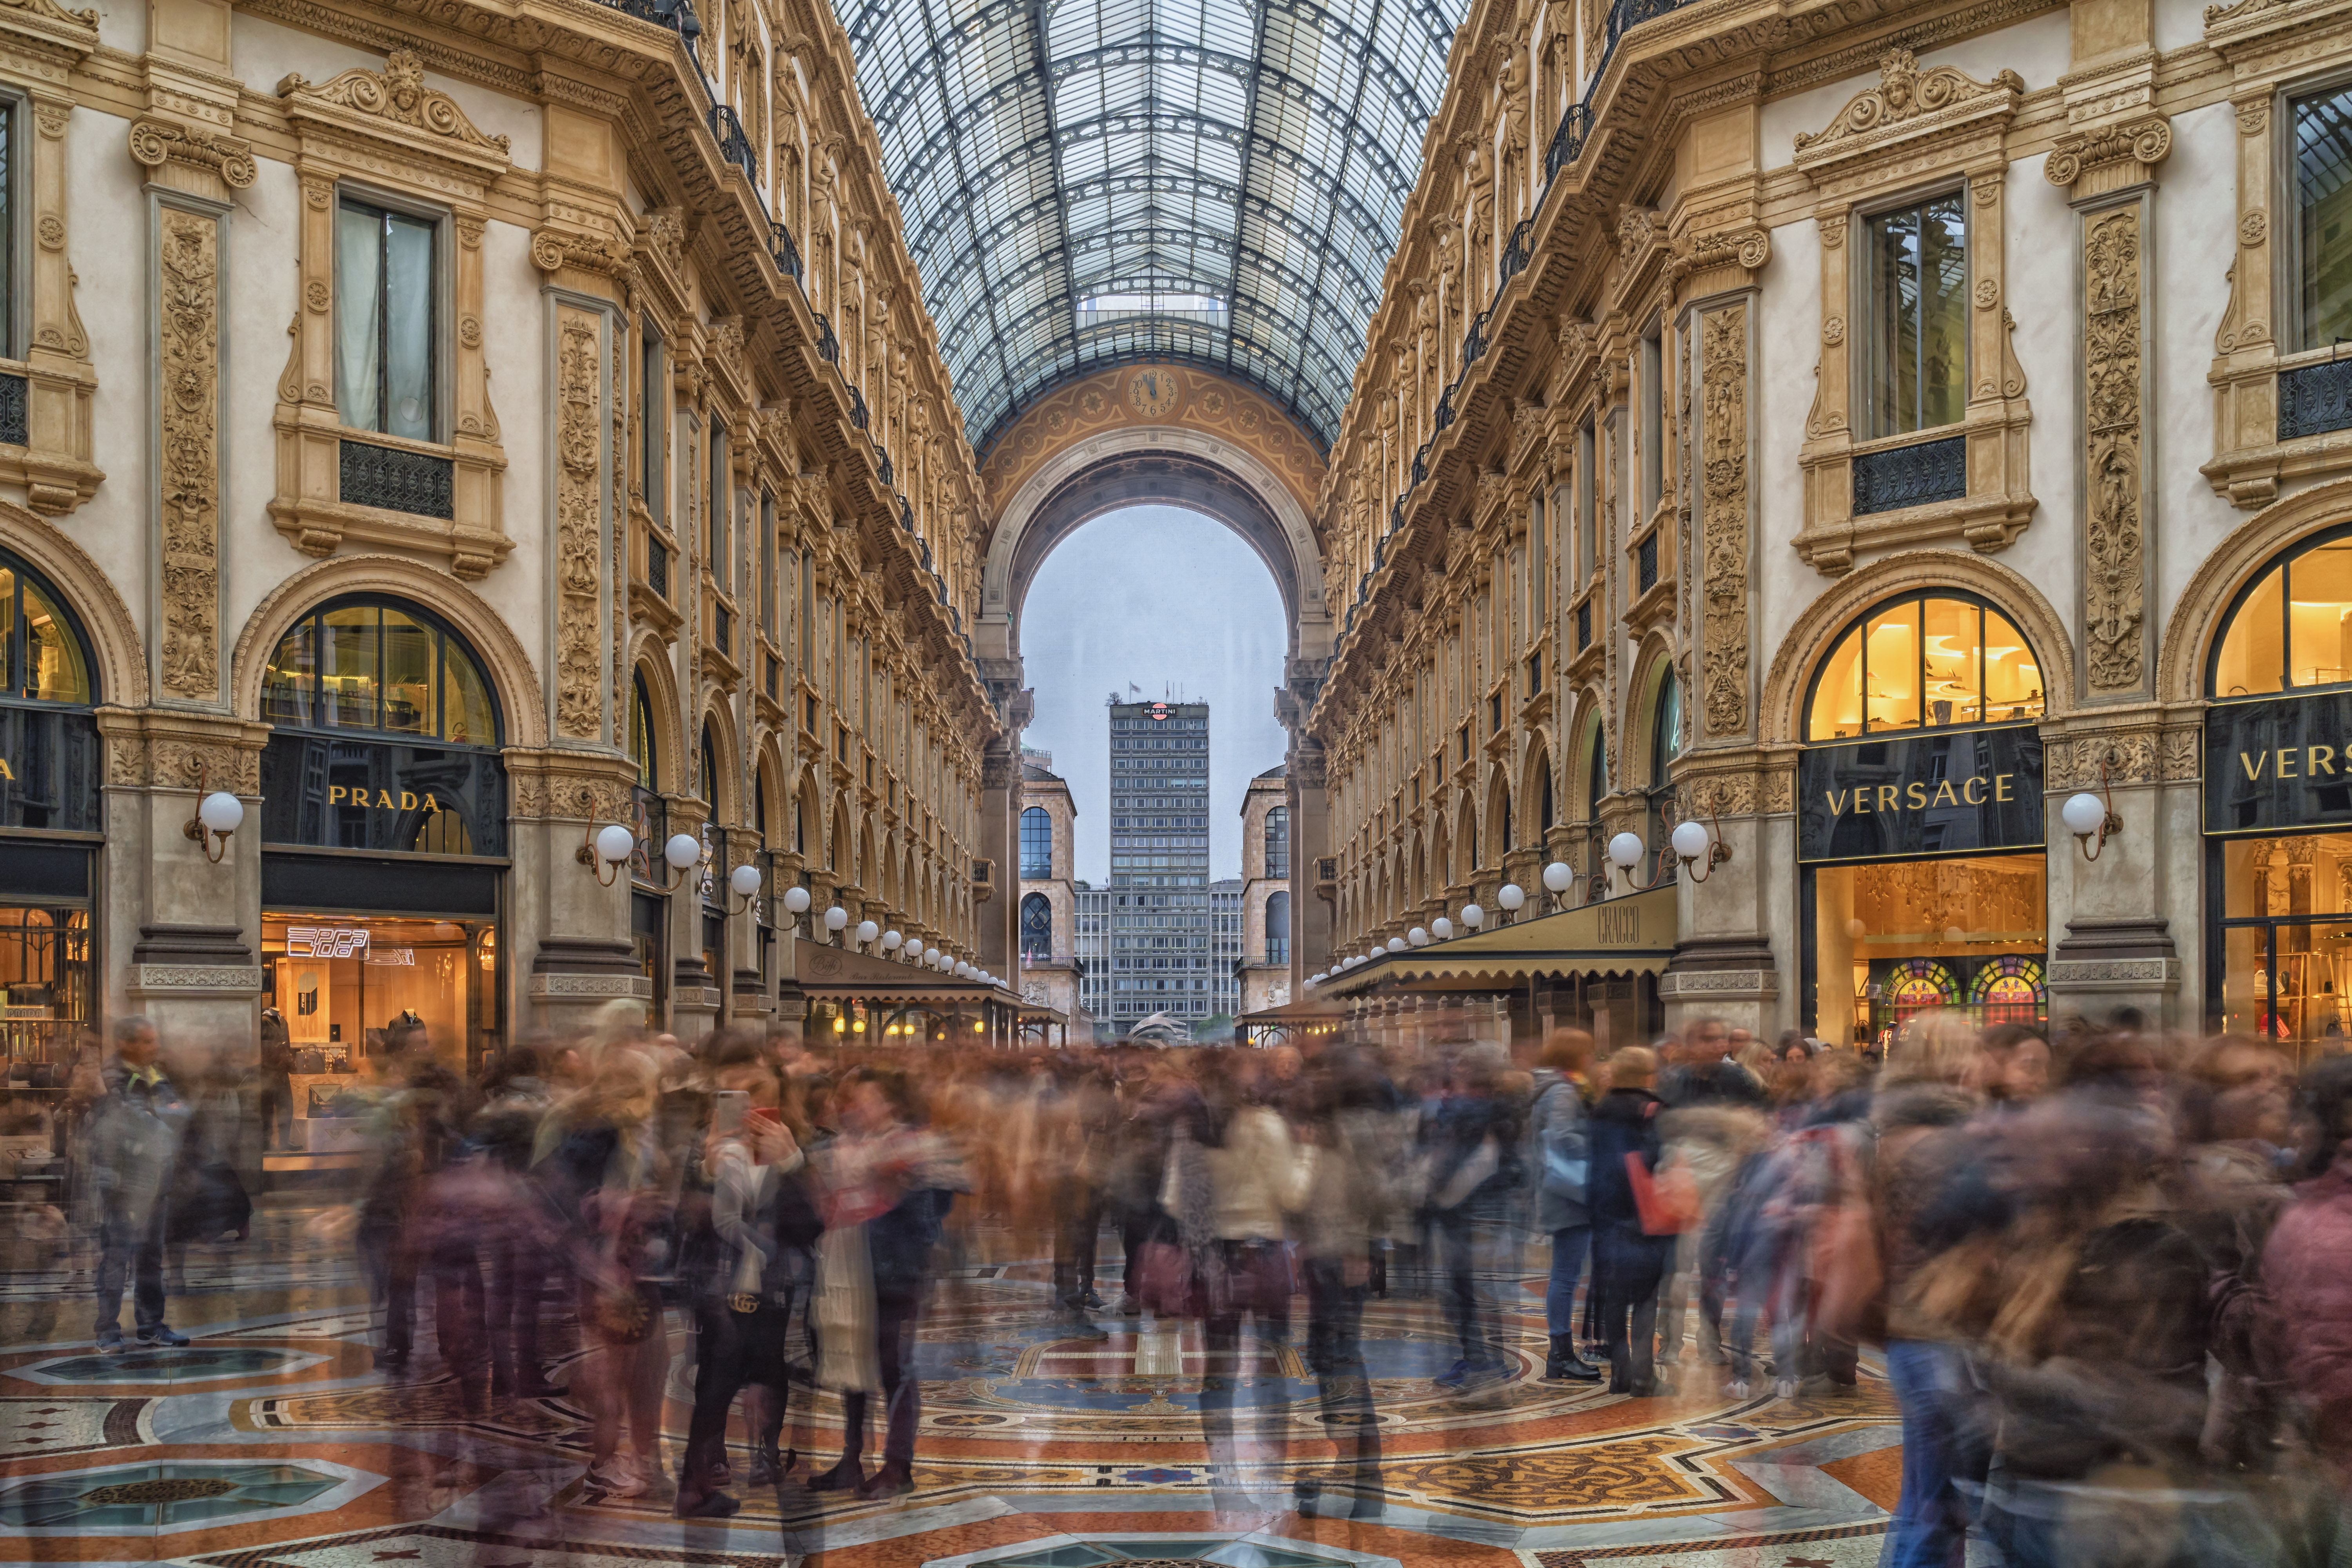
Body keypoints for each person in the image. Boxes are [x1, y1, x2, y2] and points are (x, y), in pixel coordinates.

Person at [808, 1065, 964, 1499]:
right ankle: (851, 1457)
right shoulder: (843, 1146)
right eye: (854, 1100)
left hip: (895, 1270)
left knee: (895, 1366)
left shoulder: (915, 1146)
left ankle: (898, 1465)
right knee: (851, 1363)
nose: (859, 1108)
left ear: (891, 1103)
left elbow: (937, 1206)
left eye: (869, 1099)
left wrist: (894, 1191)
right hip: (847, 1266)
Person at [84, 1016, 191, 1352]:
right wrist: (163, 1120)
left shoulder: (156, 1075)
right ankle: (108, 1331)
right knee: (116, 1257)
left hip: (156, 1179)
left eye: (154, 1040)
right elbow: (132, 1121)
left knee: (150, 1257)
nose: (154, 1047)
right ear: (126, 1044)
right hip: (121, 1183)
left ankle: (151, 1325)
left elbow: (177, 1114)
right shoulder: (113, 1077)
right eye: (146, 1041)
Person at [1586, 1045, 1675, 1395]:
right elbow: (1656, 1160)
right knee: (1646, 1297)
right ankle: (1643, 1376)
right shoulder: (1652, 1109)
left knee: (1614, 1296)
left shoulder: (1600, 1109)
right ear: (1647, 1074)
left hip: (1606, 1213)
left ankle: (1619, 1374)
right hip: (1643, 1214)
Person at [1528, 1031, 1600, 1382]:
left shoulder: (1560, 1087)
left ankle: (1561, 1352)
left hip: (1562, 1189)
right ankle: (1561, 1354)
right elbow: (1562, 1137)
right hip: (1568, 1191)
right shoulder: (1562, 1091)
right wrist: (1598, 1146)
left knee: (1566, 1274)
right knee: (1566, 1275)